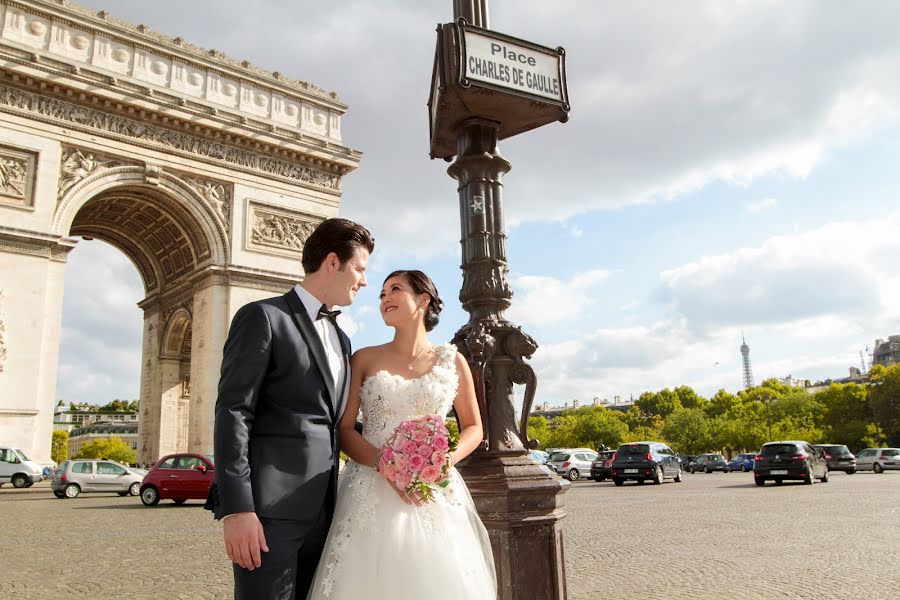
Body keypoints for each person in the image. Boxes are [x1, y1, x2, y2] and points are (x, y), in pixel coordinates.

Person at [307, 270, 496, 599]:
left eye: (395, 290)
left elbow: (474, 428)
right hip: (370, 487)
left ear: (423, 300)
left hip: (433, 487)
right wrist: (387, 466)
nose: (384, 299)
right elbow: (345, 429)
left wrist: (445, 460)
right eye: (381, 294)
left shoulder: (452, 361)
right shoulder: (364, 358)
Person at [212, 217, 374, 599]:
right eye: (360, 268)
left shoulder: (343, 338)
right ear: (333, 262)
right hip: (268, 514)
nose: (364, 281)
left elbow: (335, 422)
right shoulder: (263, 317)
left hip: (326, 513)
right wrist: (238, 509)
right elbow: (233, 412)